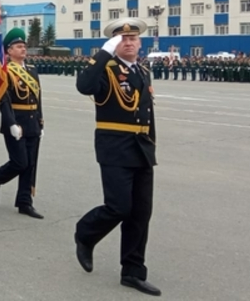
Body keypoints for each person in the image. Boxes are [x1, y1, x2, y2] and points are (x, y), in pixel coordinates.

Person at [74, 18, 161, 297]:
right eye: (123, 39)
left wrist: (152, 145)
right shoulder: (106, 71)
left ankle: (133, 271)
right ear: (114, 43)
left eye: (134, 38)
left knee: (140, 213)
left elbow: (147, 113)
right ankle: (85, 233)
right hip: (115, 148)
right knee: (119, 207)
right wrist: (103, 54)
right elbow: (84, 86)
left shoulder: (142, 71)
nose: (130, 42)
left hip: (142, 148)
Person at [0, 28, 45, 220]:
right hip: (16, 122)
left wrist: (41, 121)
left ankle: (24, 202)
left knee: (30, 165)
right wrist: (11, 123)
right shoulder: (6, 71)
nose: (23, 49)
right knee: (20, 162)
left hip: (32, 123)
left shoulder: (31, 70)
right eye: (18, 46)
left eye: (24, 46)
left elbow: (38, 98)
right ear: (8, 51)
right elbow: (4, 100)